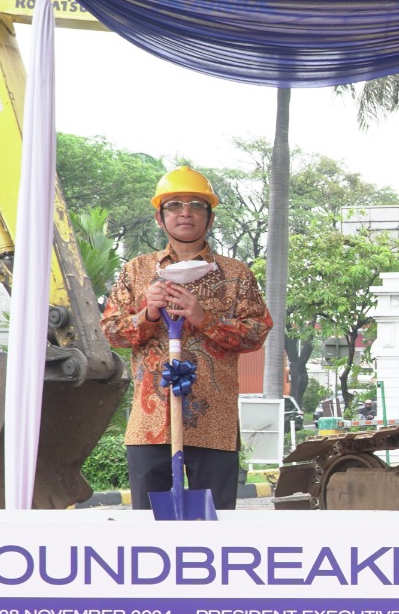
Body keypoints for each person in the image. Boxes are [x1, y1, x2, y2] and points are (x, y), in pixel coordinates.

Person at [100, 166, 272, 511]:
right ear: (159, 217)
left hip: (215, 423)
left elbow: (257, 333)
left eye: (196, 205)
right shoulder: (137, 270)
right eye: (175, 205)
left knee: (215, 523)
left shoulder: (236, 274)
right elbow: (112, 331)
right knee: (149, 529)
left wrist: (203, 319)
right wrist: (147, 314)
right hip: (150, 424)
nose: (186, 212)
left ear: (210, 217)